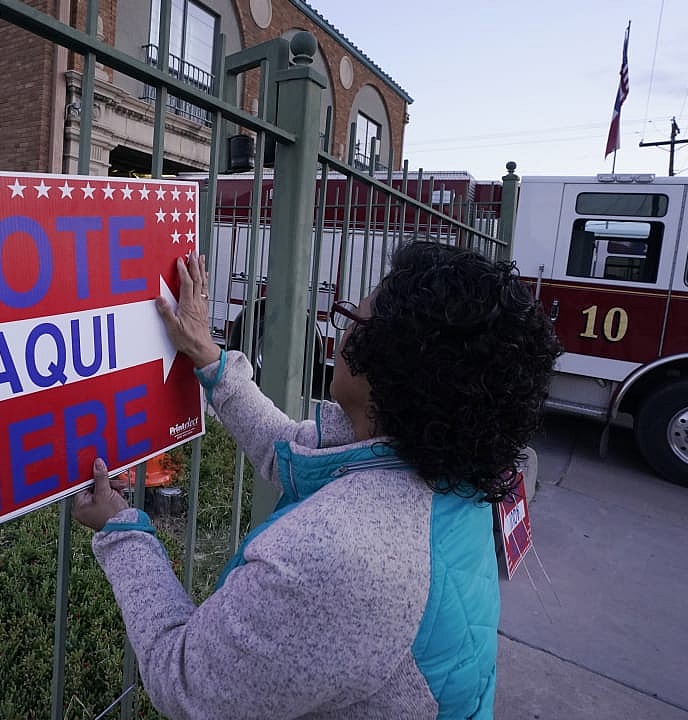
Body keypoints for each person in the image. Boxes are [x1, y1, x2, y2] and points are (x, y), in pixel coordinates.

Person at [73, 241, 562, 718]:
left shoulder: (336, 558)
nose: (343, 336)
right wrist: (210, 359)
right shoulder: (450, 469)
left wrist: (123, 532)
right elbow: (290, 448)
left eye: (352, 320)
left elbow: (185, 683)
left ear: (386, 364)